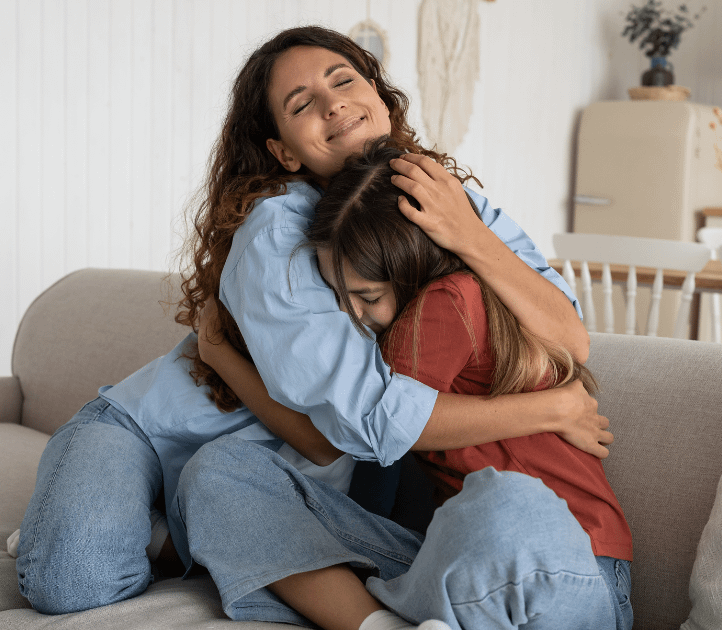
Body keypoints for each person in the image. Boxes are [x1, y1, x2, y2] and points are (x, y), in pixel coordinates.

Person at [15, 24, 610, 623]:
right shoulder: (282, 227)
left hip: (275, 475)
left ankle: (177, 533)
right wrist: (554, 409)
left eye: (344, 80)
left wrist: (469, 235)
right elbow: (355, 426)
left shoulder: (451, 201)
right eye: (301, 105)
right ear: (285, 152)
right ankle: (114, 520)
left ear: (380, 95)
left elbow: (570, 339)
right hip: (156, 430)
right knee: (73, 579)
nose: (333, 104)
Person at [187, 140, 632, 630]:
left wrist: (222, 357)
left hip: (567, 565)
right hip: (456, 569)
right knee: (221, 468)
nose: (347, 314)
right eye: (336, 295)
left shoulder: (444, 304)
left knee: (503, 500)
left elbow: (383, 434)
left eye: (365, 296)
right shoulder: (433, 310)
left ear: (409, 267)